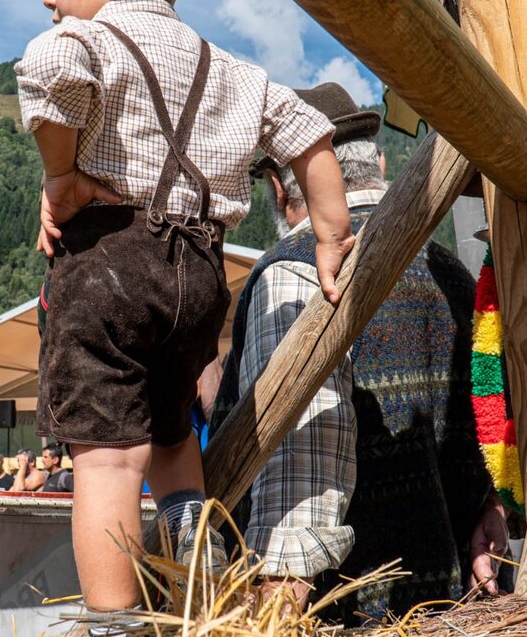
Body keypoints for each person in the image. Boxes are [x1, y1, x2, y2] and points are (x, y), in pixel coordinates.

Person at [15, 0, 353, 619]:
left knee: (106, 459)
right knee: (172, 446)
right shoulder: (232, 68)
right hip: (198, 273)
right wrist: (331, 236)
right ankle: (200, 599)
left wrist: (61, 174)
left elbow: (50, 73)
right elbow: (309, 137)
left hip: (108, 260)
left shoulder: (88, 39)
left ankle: (116, 622)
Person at [207, 83, 502, 623]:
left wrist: (275, 592)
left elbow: (300, 443)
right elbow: (490, 418)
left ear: (278, 186)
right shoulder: (454, 276)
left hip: (340, 610)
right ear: (381, 161)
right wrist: (491, 502)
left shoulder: (292, 271)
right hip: (460, 606)